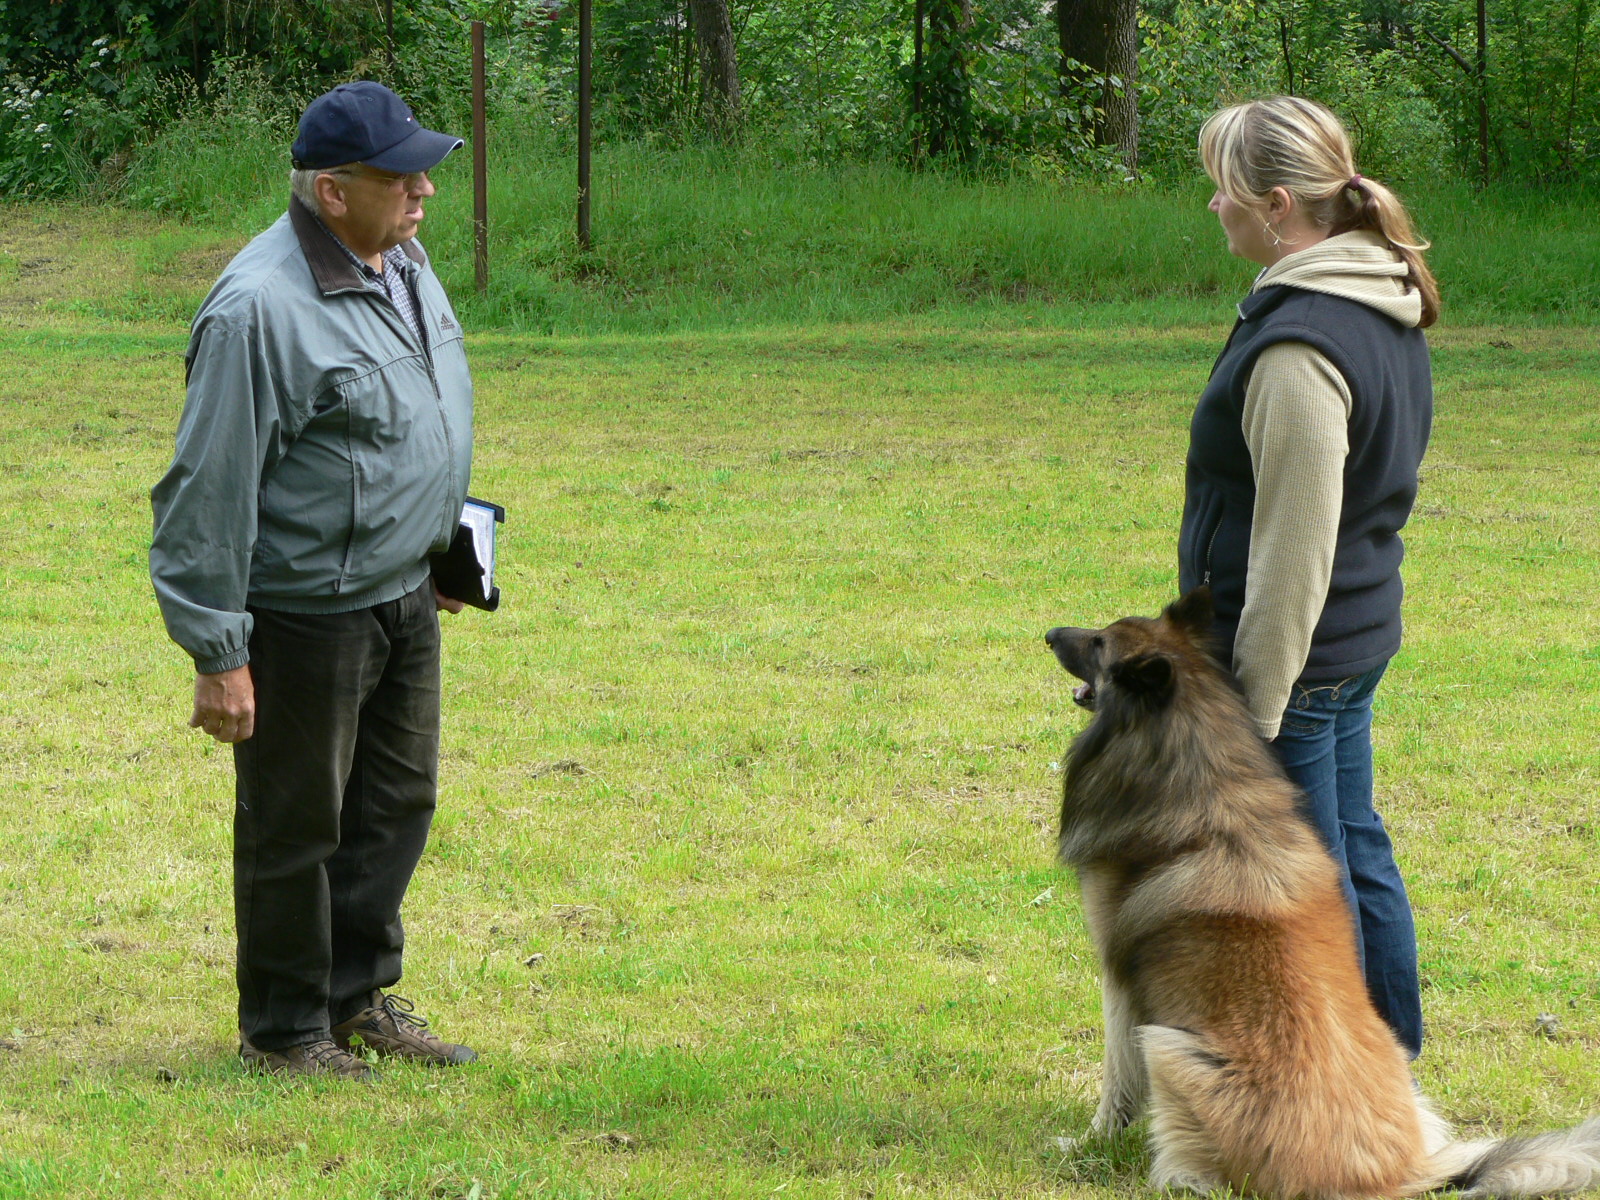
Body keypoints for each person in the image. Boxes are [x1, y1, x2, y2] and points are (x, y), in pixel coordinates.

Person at [150, 81, 480, 1079]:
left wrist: (444, 549)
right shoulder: (259, 312)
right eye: (400, 175)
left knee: (394, 805)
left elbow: (417, 419)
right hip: (305, 614)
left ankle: (357, 998)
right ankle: (285, 1029)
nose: (424, 189)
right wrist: (219, 650)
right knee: (299, 823)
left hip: (401, 595)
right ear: (333, 192)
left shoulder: (402, 260)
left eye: (424, 169)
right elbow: (206, 490)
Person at [1178, 96, 1439, 1059]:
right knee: (1352, 851)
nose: (1212, 206)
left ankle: (1356, 1093)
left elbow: (1296, 546)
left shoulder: (1301, 344)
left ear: (1278, 204)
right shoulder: (1379, 293)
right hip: (1353, 642)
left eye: (1222, 188)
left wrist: (1254, 703)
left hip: (1301, 661)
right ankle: (1393, 1074)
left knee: (1310, 884)